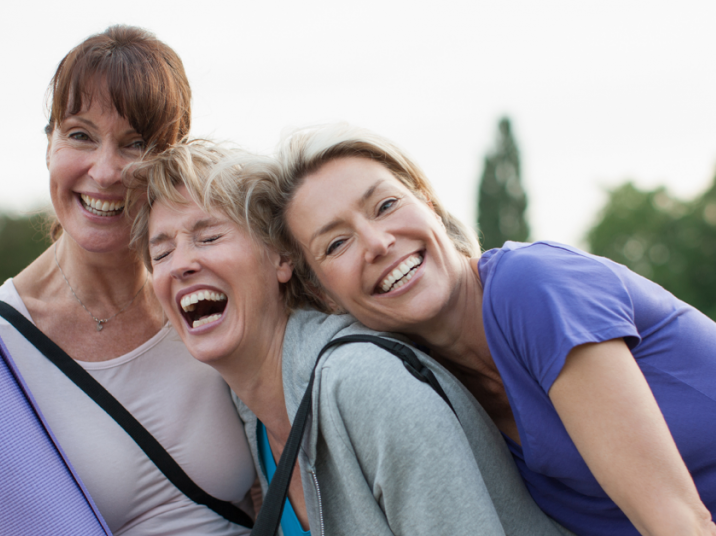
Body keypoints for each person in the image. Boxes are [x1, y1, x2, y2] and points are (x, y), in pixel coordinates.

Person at [252, 122, 716, 536]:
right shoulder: (430, 384)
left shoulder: (534, 290)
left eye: (387, 204)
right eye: (336, 244)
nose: (377, 241)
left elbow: (677, 522)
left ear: (429, 201)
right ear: (320, 291)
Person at [126, 139, 573, 536]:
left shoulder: (364, 384)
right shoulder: (254, 416)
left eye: (208, 237)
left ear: (282, 258)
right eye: (160, 252)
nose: (179, 264)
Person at [0, 26, 256, 536]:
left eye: (136, 144)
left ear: (171, 161)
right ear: (49, 143)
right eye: (80, 135)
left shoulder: (206, 297)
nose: (107, 171)